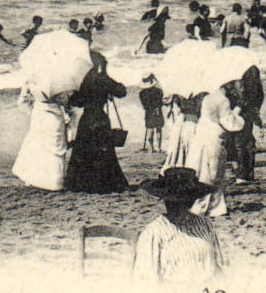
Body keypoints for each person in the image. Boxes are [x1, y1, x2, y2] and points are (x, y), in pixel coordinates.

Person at [132, 167, 225, 283]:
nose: (177, 208)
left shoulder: (204, 225)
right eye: (172, 203)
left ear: (190, 202)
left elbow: (218, 267)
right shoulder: (154, 233)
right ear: (166, 201)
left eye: (183, 202)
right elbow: (145, 279)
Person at [64, 51, 129, 193]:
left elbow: (76, 102)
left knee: (83, 152)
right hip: (100, 118)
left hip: (87, 119)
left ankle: (81, 184)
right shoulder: (103, 79)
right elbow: (122, 92)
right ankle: (104, 184)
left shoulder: (83, 81)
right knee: (104, 153)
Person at [191, 84, 245, 217]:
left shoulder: (207, 98)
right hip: (214, 136)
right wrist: (237, 114)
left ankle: (200, 204)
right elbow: (228, 123)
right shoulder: (223, 99)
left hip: (201, 134)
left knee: (203, 169)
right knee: (214, 171)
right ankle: (213, 207)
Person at [13, 81, 71, 191]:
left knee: (38, 144)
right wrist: (69, 111)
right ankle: (55, 182)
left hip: (38, 114)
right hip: (54, 114)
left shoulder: (32, 79)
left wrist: (31, 111)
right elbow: (64, 100)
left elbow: (22, 100)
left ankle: (34, 178)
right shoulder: (56, 80)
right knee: (56, 145)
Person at [229, 66, 263, 184]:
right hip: (248, 109)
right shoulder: (252, 69)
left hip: (240, 110)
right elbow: (259, 94)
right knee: (247, 141)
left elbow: (245, 93)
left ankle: (242, 174)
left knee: (239, 142)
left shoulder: (238, 71)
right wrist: (256, 110)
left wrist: (238, 105)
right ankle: (248, 173)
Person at [139, 76, 165, 153]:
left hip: (149, 112)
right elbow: (161, 102)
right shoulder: (159, 91)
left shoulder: (142, 93)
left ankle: (151, 148)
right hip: (157, 111)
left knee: (150, 129)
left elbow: (144, 105)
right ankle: (159, 148)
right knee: (158, 129)